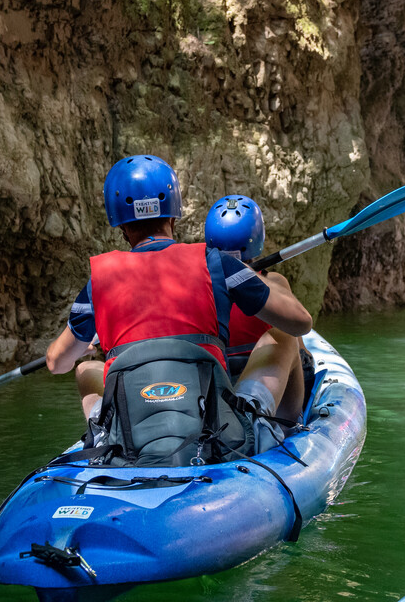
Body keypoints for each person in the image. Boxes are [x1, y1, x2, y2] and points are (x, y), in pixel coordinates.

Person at [45, 155, 313, 461]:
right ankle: (284, 430)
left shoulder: (98, 282)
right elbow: (300, 323)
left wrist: (85, 345)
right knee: (283, 336)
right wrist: (249, 275)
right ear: (174, 217)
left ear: (121, 227)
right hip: (217, 435)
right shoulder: (215, 262)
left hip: (130, 438)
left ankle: (104, 432)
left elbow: (56, 362)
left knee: (85, 369)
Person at [205, 194, 313, 419]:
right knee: (294, 345)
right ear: (258, 239)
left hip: (218, 383)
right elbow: (301, 344)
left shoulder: (203, 286)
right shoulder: (274, 283)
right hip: (269, 389)